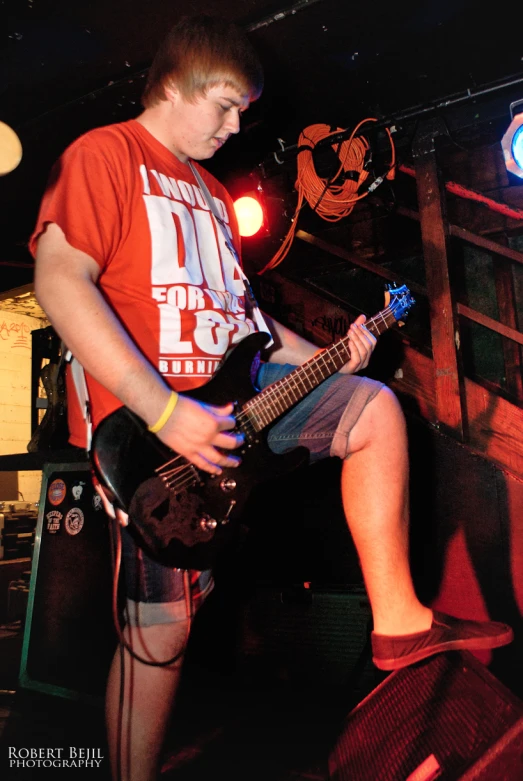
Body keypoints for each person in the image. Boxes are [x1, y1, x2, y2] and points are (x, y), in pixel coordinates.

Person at [30, 15, 513, 781]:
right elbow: (59, 280)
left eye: (241, 111)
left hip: (238, 413)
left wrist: (336, 354)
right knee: (161, 633)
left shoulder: (216, 198)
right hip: (150, 435)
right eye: (223, 104)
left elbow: (247, 326)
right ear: (173, 83)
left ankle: (397, 621)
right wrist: (160, 408)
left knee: (371, 408)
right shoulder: (105, 154)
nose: (234, 124)